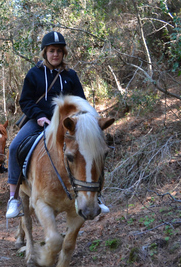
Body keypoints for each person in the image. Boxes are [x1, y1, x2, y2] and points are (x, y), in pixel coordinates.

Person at [6, 31, 109, 218]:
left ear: (64, 53)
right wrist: (38, 116)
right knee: (14, 148)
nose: (55, 54)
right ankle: (13, 198)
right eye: (52, 50)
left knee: (92, 150)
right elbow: (25, 101)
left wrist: (87, 121)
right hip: (40, 121)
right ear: (45, 52)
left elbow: (81, 101)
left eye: (59, 51)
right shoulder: (34, 74)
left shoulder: (71, 76)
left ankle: (97, 195)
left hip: (68, 125)